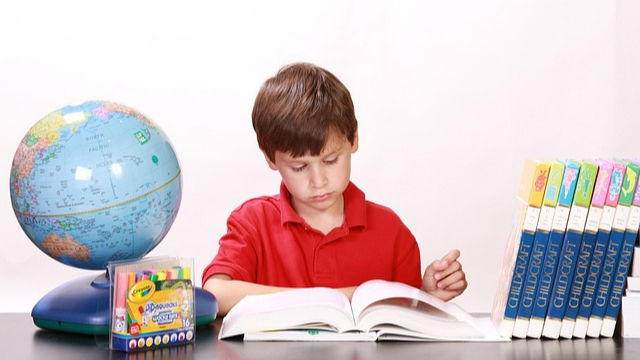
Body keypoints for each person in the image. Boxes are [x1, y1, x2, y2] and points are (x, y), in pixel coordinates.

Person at [202, 63, 467, 315]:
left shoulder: (391, 231)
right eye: (299, 167)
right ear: (271, 158)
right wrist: (338, 297)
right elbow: (216, 292)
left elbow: (405, 318)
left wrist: (427, 296)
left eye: (330, 161)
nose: (319, 181)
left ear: (353, 139)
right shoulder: (253, 222)